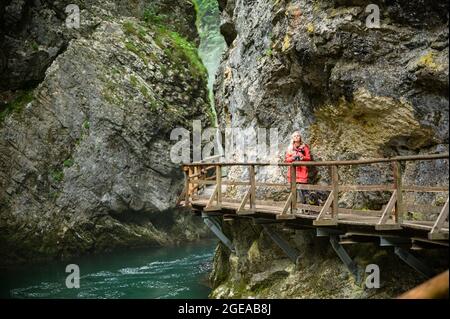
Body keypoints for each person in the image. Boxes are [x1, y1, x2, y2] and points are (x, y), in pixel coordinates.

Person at [285, 131, 311, 205]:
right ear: (292, 138)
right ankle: (293, 207)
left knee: (303, 190)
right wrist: (293, 157)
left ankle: (305, 207)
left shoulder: (304, 147)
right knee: (293, 190)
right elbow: (287, 159)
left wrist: (302, 157)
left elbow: (309, 158)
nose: (296, 137)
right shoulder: (290, 148)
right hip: (293, 172)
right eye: (295, 136)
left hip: (302, 171)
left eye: (298, 136)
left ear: (300, 137)